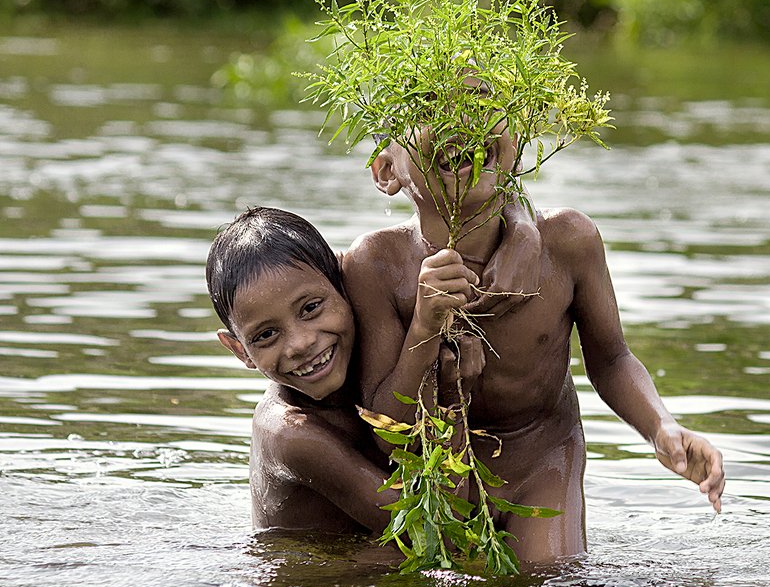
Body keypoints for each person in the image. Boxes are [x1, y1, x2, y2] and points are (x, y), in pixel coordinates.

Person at [342, 117, 726, 562]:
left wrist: (661, 426)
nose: (460, 119)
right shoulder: (376, 264)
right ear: (386, 172)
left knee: (549, 576)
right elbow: (386, 426)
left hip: (542, 458)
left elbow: (612, 358)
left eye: (480, 101)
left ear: (518, 145)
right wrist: (424, 327)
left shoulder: (568, 241)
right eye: (428, 109)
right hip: (435, 472)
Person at [206, 205, 539, 533]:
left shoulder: (376, 354)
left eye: (311, 308)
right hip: (316, 581)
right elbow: (436, 531)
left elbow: (496, 199)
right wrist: (453, 395)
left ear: (345, 283)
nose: (300, 344)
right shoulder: (289, 434)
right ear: (239, 350)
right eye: (266, 335)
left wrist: (522, 229)